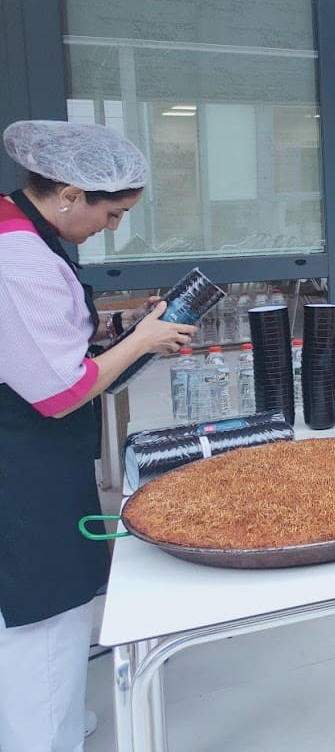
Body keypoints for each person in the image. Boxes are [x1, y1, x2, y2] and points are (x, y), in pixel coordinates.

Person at [0, 120, 196, 752]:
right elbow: (60, 393)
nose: (114, 227)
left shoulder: (25, 231)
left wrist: (122, 331)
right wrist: (141, 341)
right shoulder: (18, 259)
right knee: (45, 608)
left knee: (48, 599)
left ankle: (49, 721)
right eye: (111, 213)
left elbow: (50, 341)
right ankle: (42, 737)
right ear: (67, 194)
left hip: (34, 452)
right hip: (21, 460)